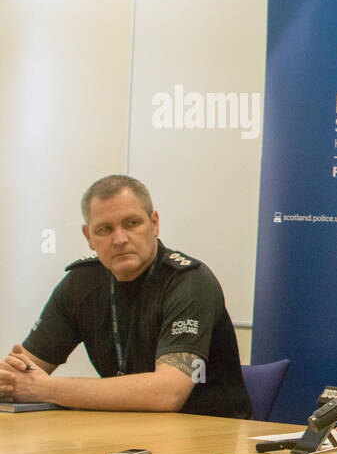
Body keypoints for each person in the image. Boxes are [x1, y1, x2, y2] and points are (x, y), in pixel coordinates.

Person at [0, 175, 252, 418]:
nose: (119, 239)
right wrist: (11, 381)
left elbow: (167, 392)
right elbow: (24, 371)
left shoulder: (189, 281)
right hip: (125, 431)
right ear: (88, 237)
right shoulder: (80, 282)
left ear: (154, 224)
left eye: (132, 223)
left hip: (206, 437)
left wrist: (46, 389)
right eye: (105, 229)